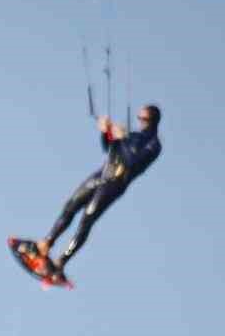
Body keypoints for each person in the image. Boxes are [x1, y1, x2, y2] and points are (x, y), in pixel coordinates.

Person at [37, 104, 162, 283]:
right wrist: (106, 132)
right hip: (103, 174)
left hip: (116, 183)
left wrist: (122, 138)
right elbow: (110, 149)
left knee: (87, 219)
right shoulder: (133, 136)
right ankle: (47, 243)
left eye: (144, 119)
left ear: (153, 120)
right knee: (71, 205)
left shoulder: (154, 145)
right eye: (139, 118)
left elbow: (132, 162)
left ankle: (61, 261)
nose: (140, 121)